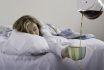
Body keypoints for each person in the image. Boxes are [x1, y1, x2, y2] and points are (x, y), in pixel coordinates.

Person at [1, 15, 69, 58]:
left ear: (38, 27)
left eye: (35, 29)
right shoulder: (15, 35)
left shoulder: (43, 31)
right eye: (29, 32)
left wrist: (62, 51)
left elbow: (50, 42)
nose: (34, 34)